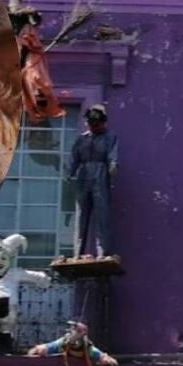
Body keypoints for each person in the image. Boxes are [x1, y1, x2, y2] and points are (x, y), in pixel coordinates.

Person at [68, 105, 119, 259]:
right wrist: (69, 172)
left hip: (100, 174)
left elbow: (112, 154)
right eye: (92, 123)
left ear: (104, 123)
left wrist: (113, 164)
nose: (95, 126)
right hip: (84, 175)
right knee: (82, 214)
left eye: (98, 123)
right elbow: (74, 158)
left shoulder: (110, 136)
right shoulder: (81, 139)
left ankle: (103, 251)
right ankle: (78, 252)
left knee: (102, 212)